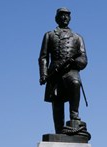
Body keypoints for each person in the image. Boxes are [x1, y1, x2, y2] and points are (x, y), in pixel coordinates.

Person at [38, 7, 88, 135]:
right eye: (61, 15)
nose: (64, 18)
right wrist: (43, 74)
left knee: (75, 83)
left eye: (67, 16)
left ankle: (74, 116)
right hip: (54, 72)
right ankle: (59, 130)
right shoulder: (49, 35)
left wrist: (75, 62)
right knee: (57, 102)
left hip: (71, 70)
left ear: (70, 18)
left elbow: (83, 58)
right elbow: (43, 57)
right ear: (56, 18)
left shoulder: (77, 37)